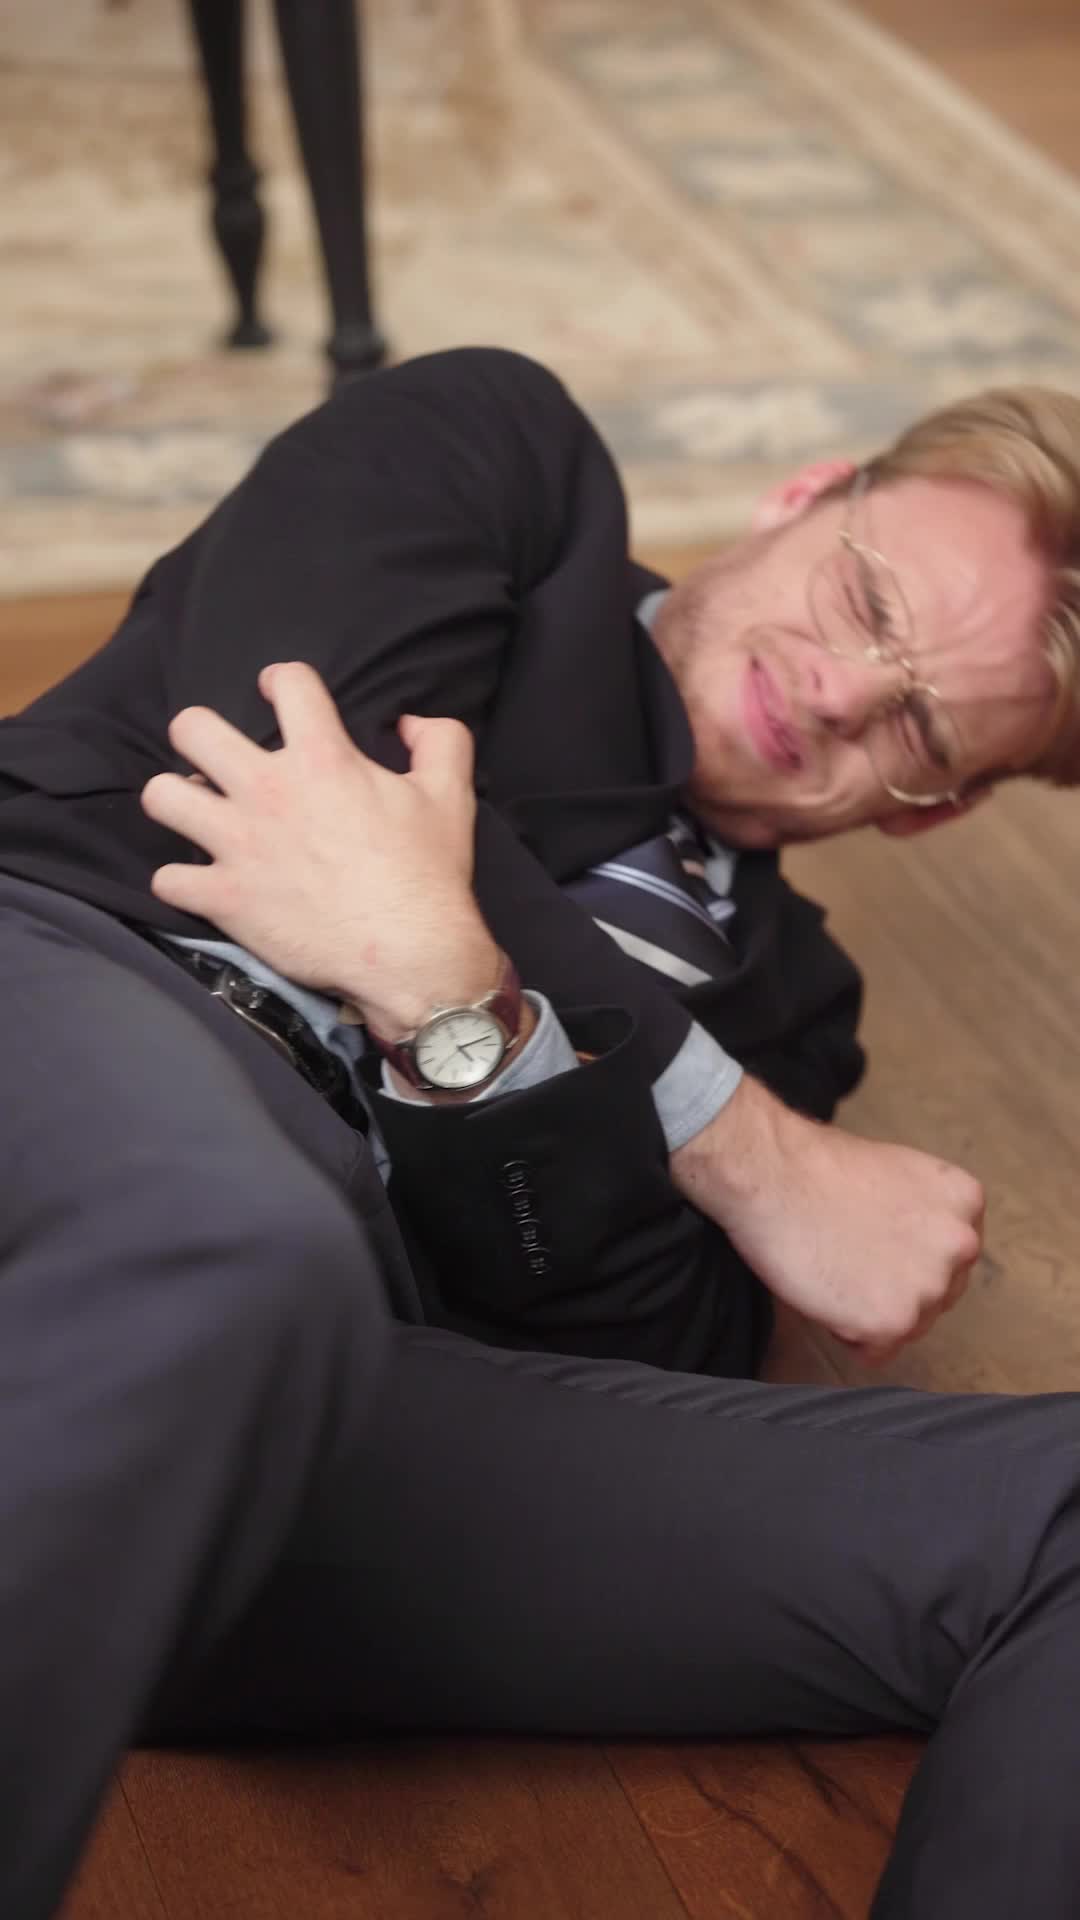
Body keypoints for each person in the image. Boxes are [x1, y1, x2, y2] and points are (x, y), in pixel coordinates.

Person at [0, 347, 1077, 1920]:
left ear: (937, 809)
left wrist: (465, 1018)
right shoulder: (503, 462)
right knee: (243, 1254)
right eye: (864, 599)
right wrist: (739, 1142)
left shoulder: (795, 1015)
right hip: (64, 1000)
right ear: (802, 495)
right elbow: (281, 732)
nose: (843, 691)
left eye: (919, 727)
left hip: (336, 1401)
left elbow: (634, 1350)